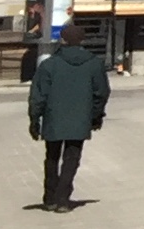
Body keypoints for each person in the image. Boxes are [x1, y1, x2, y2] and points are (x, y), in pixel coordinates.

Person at [26, 20, 109, 212]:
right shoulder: (94, 64)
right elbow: (102, 93)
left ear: (62, 40)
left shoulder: (49, 65)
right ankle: (63, 199)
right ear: (82, 40)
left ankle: (49, 198)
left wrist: (34, 119)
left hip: (53, 118)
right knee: (72, 158)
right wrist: (96, 116)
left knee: (52, 157)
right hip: (80, 119)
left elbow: (38, 95)